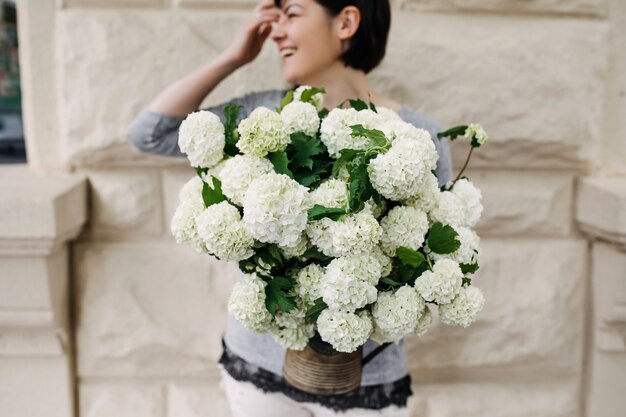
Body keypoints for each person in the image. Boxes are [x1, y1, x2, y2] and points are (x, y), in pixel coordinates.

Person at [127, 1, 452, 416]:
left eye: (293, 13)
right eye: (275, 17)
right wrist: (234, 57)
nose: (277, 31)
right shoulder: (261, 116)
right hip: (260, 371)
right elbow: (149, 134)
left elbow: (434, 255)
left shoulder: (418, 135)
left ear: (347, 22)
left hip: (367, 375)